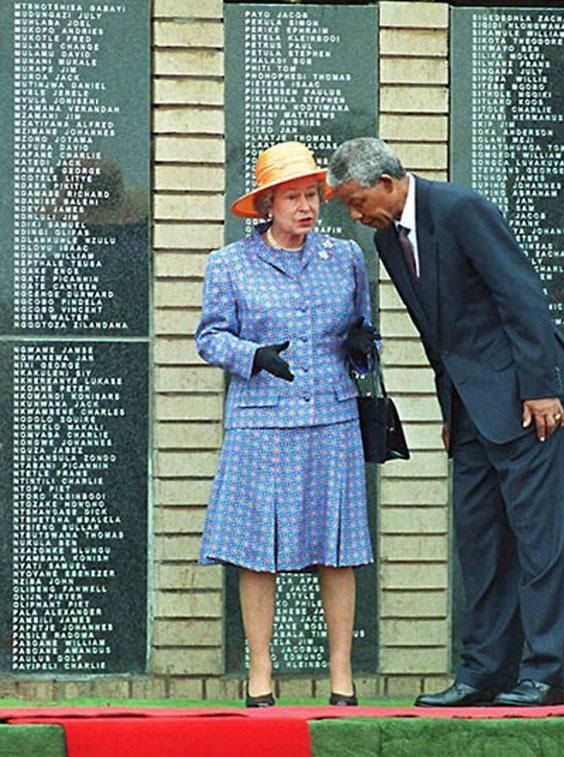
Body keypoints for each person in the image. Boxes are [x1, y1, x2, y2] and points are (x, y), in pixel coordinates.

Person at [328, 137, 564, 707]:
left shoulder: (461, 209)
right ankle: (484, 673)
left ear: (386, 183)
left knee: (540, 544)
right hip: (470, 412)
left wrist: (542, 387)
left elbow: (520, 296)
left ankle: (543, 674)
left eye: (356, 202)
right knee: (481, 546)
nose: (354, 216)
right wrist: (449, 409)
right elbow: (438, 335)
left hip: (526, 402)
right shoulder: (387, 239)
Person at [195, 141, 377, 707]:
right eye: (293, 197)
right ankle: (260, 673)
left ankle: (342, 676)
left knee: (338, 547)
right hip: (262, 422)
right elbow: (209, 337)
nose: (306, 207)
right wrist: (252, 356)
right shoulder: (230, 263)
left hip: (332, 417)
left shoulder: (345, 257)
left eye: (313, 196)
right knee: (258, 548)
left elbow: (365, 336)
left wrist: (362, 347)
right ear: (267, 204)